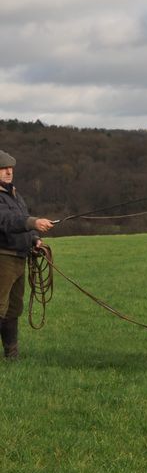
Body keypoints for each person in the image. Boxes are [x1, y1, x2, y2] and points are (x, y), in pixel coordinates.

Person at [0, 150, 54, 360]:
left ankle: (11, 356)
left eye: (10, 168)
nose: (8, 172)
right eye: (3, 169)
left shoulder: (14, 194)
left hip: (19, 257)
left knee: (13, 309)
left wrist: (34, 238)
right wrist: (33, 223)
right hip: (3, 258)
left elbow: (22, 219)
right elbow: (6, 221)